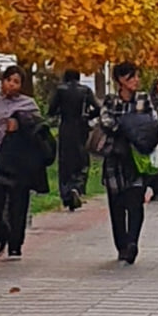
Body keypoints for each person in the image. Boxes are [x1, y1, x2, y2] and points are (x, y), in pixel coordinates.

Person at [0, 65, 42, 258]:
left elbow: (39, 131)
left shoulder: (29, 105)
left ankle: (15, 244)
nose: (11, 84)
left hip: (19, 162)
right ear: (3, 81)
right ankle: (1, 233)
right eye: (8, 80)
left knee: (18, 205)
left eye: (16, 81)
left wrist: (21, 123)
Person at [99, 62, 153, 265]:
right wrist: (129, 127)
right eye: (132, 77)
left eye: (137, 77)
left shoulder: (143, 99)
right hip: (115, 157)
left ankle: (132, 243)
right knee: (117, 204)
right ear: (121, 80)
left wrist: (131, 129)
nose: (136, 81)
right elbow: (105, 122)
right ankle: (121, 245)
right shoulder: (111, 101)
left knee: (136, 201)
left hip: (137, 158)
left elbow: (152, 122)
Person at [47, 70, 99, 211]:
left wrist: (58, 113)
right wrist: (88, 116)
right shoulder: (85, 91)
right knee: (81, 158)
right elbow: (98, 108)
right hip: (81, 127)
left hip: (66, 127)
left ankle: (66, 192)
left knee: (65, 161)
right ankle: (78, 186)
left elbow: (51, 110)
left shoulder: (60, 90)